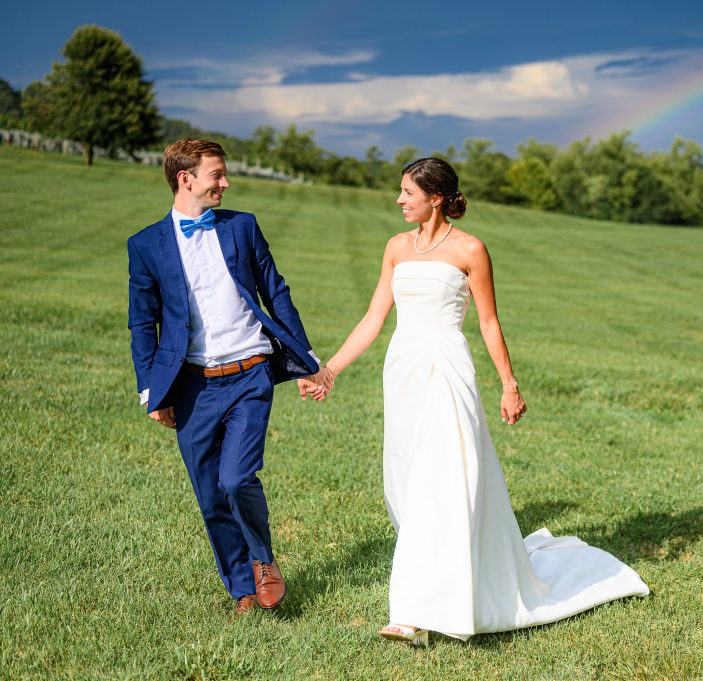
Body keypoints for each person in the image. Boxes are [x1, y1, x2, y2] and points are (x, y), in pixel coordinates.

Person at [318, 157, 649, 646]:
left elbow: (489, 323)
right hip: (403, 368)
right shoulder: (394, 248)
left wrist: (509, 383)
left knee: (445, 478)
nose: (399, 199)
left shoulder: (471, 249)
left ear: (435, 197)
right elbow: (373, 318)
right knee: (406, 481)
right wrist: (330, 369)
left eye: (407, 192)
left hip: (449, 368)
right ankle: (440, 580)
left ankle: (413, 613)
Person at [127, 139, 334, 617]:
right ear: (187, 179)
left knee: (236, 478)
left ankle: (263, 560)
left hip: (249, 375)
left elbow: (275, 292)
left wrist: (307, 361)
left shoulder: (243, 226)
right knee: (209, 493)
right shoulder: (145, 245)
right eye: (217, 175)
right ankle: (242, 588)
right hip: (191, 385)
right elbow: (143, 323)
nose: (226, 182)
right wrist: (150, 390)